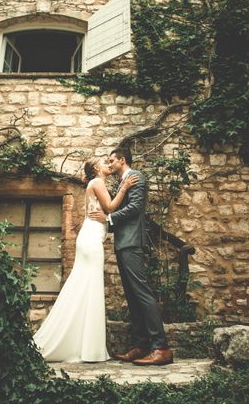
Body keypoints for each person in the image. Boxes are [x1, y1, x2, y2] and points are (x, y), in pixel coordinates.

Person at [32, 156, 138, 362]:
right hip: (91, 239)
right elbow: (110, 207)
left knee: (85, 287)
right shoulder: (97, 182)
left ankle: (87, 345)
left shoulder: (96, 183)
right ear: (97, 168)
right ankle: (89, 348)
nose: (108, 163)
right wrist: (124, 187)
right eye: (103, 162)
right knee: (91, 287)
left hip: (91, 236)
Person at [89, 147, 174, 366]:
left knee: (142, 293)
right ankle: (141, 345)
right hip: (123, 243)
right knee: (132, 296)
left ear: (122, 160)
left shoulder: (136, 177)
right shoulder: (122, 181)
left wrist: (108, 219)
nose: (110, 164)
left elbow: (135, 208)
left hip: (132, 242)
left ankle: (161, 348)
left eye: (112, 161)